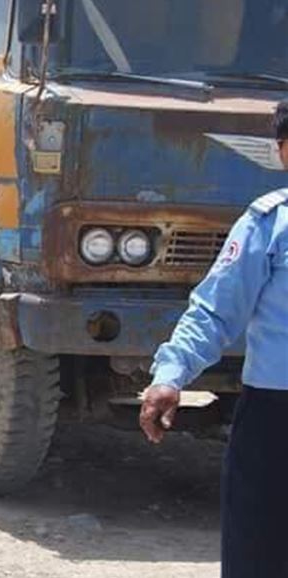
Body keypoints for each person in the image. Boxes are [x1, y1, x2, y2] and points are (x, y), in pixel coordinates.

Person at [140, 99, 288, 577]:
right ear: (285, 153)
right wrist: (170, 376)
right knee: (259, 559)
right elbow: (215, 311)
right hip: (276, 423)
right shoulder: (270, 227)